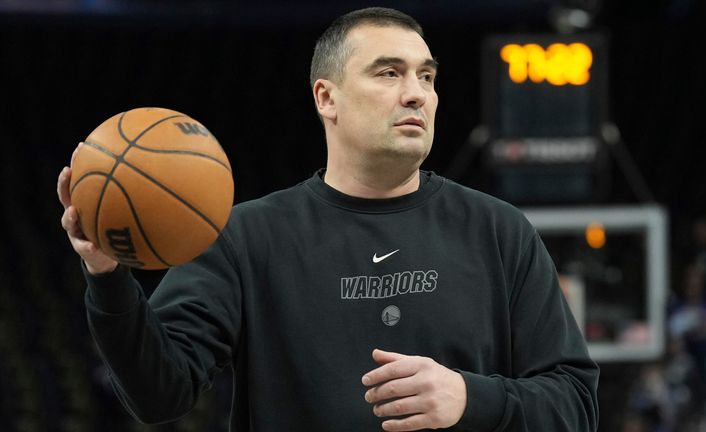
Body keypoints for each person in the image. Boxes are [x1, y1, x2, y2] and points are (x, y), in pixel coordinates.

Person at [57, 7, 599, 431]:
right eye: (388, 73)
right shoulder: (246, 238)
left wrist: (471, 398)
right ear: (326, 97)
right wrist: (107, 276)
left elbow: (575, 405)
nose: (417, 93)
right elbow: (158, 396)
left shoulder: (499, 230)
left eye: (427, 77)